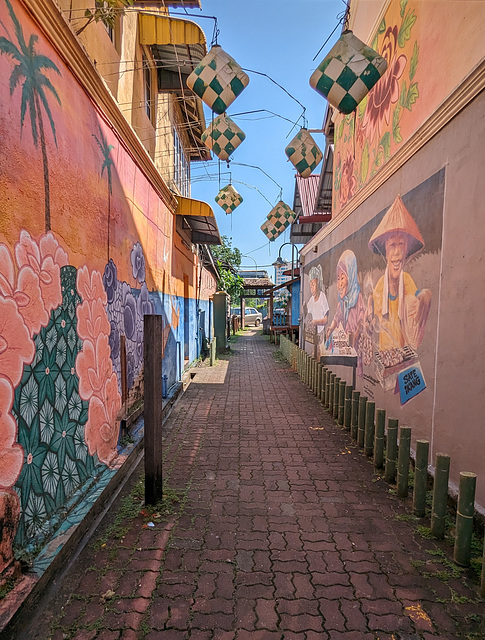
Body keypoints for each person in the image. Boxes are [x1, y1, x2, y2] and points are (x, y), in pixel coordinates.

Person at [367, 195, 431, 353]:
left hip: (404, 354)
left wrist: (424, 297)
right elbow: (372, 306)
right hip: (386, 354)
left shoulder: (406, 280)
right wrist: (368, 313)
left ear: (407, 250)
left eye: (401, 245)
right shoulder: (381, 284)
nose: (397, 253)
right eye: (392, 245)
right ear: (386, 252)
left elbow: (415, 299)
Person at [325, 250, 365, 373]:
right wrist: (331, 328)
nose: (340, 284)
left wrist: (356, 333)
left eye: (343, 278)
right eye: (338, 279)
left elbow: (362, 320)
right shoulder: (342, 302)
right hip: (345, 349)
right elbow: (337, 317)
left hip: (356, 349)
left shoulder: (358, 299)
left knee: (356, 372)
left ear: (351, 277)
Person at [305, 264, 329, 356]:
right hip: (313, 333)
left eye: (313, 284)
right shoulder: (311, 300)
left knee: (319, 355)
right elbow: (307, 313)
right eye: (310, 285)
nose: (311, 288)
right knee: (314, 354)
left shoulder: (322, 297)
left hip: (321, 333)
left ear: (318, 283)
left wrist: (316, 322)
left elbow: (325, 320)